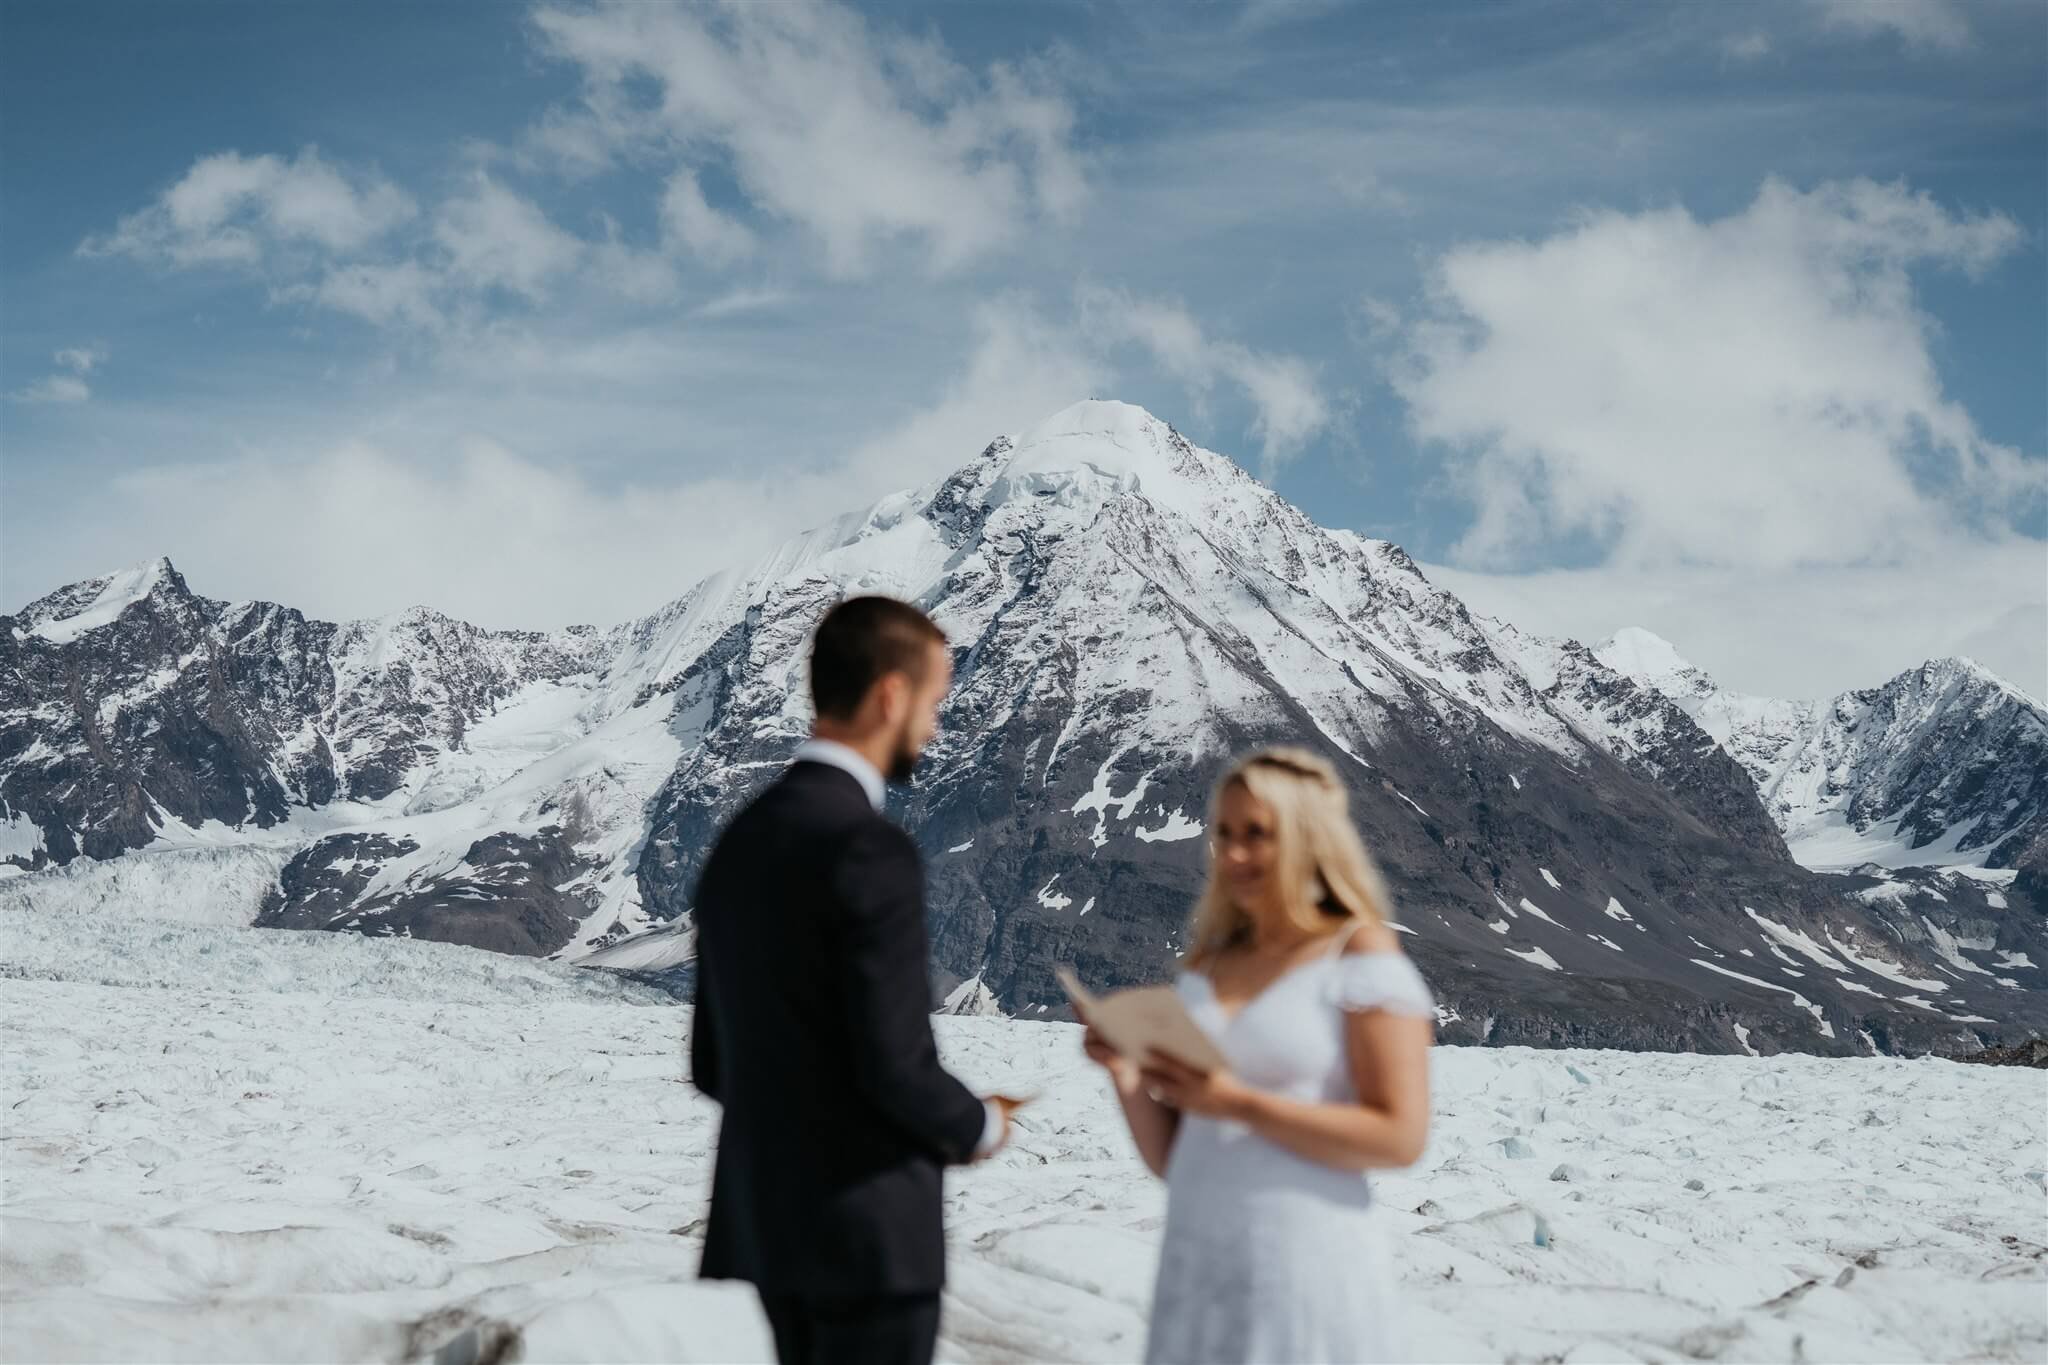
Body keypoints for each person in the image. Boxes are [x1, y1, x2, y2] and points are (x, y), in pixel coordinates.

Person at [688, 595, 1018, 1365]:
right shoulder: (870, 848)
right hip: (869, 1241)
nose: (934, 726)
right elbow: (894, 1063)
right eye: (934, 702)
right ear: (891, 694)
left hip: (765, 1231)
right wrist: (979, 1124)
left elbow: (712, 1061)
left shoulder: (739, 841)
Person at [1079, 746, 1436, 1365]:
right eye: (1225, 833)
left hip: (1302, 1262)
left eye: (1258, 835)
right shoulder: (1210, 964)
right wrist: (1127, 1072)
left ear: (1308, 838)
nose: (1235, 854)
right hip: (1199, 1264)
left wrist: (1236, 1102)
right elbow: (1177, 1156)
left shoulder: (1358, 953)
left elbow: (1400, 1137)